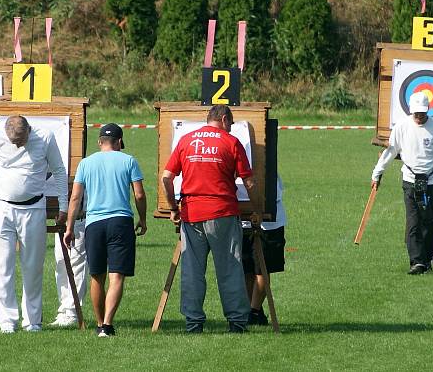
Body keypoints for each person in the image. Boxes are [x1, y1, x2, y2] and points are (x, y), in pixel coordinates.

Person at [161, 104, 254, 334]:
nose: (230, 129)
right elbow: (249, 181)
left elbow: (166, 177)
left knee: (192, 271)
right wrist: (257, 209)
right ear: (223, 119)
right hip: (223, 212)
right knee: (230, 268)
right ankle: (237, 323)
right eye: (230, 125)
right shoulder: (231, 142)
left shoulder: (185, 140)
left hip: (191, 213)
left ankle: (193, 323)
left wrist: (173, 207)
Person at [0, 115, 67, 333]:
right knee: (2, 266)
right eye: (13, 140)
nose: (17, 144)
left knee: (33, 268)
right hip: (2, 207)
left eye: (20, 140)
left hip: (34, 209)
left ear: (29, 131)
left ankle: (32, 321)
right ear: (5, 132)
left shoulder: (45, 136)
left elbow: (59, 170)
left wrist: (63, 206)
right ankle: (6, 321)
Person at [63, 123, 147, 338]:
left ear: (99, 142)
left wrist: (70, 227)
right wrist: (143, 219)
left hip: (94, 224)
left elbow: (75, 197)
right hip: (121, 221)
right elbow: (139, 195)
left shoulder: (85, 163)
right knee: (116, 275)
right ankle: (108, 324)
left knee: (96, 276)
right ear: (120, 142)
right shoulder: (128, 160)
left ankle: (99, 323)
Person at [371, 92, 433, 275]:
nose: (419, 116)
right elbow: (390, 152)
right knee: (413, 221)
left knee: (429, 220)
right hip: (410, 181)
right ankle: (416, 262)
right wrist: (377, 173)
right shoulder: (401, 127)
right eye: (416, 113)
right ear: (410, 111)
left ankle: (426, 259)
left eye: (422, 113)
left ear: (427, 110)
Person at [242, 175, 286, 326]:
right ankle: (254, 311)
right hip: (240, 213)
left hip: (269, 215)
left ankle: (253, 312)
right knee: (246, 267)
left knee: (262, 269)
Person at [50, 216, 87, 327]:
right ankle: (64, 310)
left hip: (80, 219)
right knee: (61, 264)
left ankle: (72, 312)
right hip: (61, 220)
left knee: (77, 264)